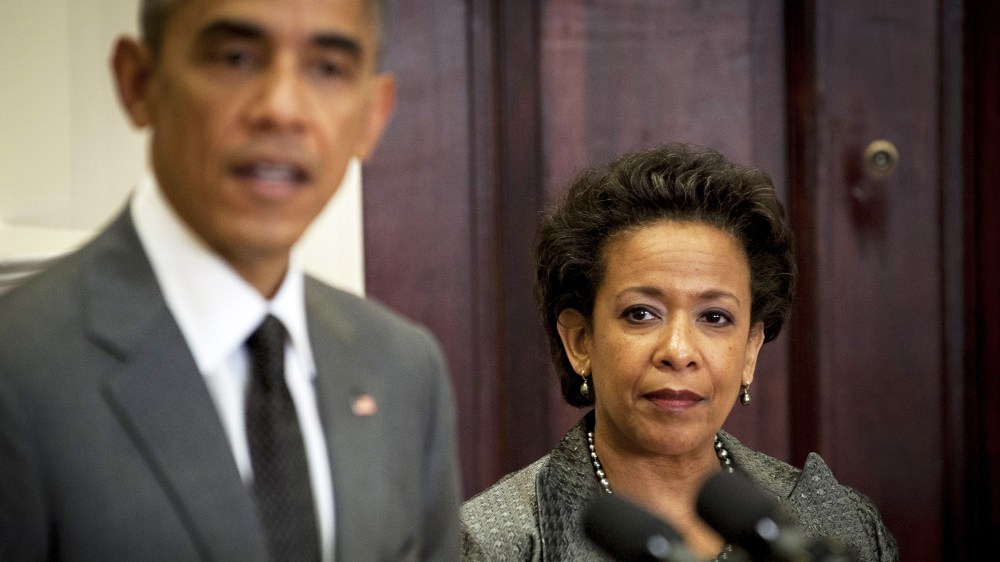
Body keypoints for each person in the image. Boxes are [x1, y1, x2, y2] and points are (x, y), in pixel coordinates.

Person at [0, 0, 461, 560]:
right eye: (236, 58)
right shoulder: (20, 370)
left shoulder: (403, 370)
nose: (282, 109)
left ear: (373, 115)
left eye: (327, 69)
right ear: (138, 82)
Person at [460, 144, 898, 561]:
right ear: (580, 342)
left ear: (749, 350)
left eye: (714, 318)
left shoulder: (837, 527)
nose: (679, 351)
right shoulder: (493, 543)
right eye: (641, 313)